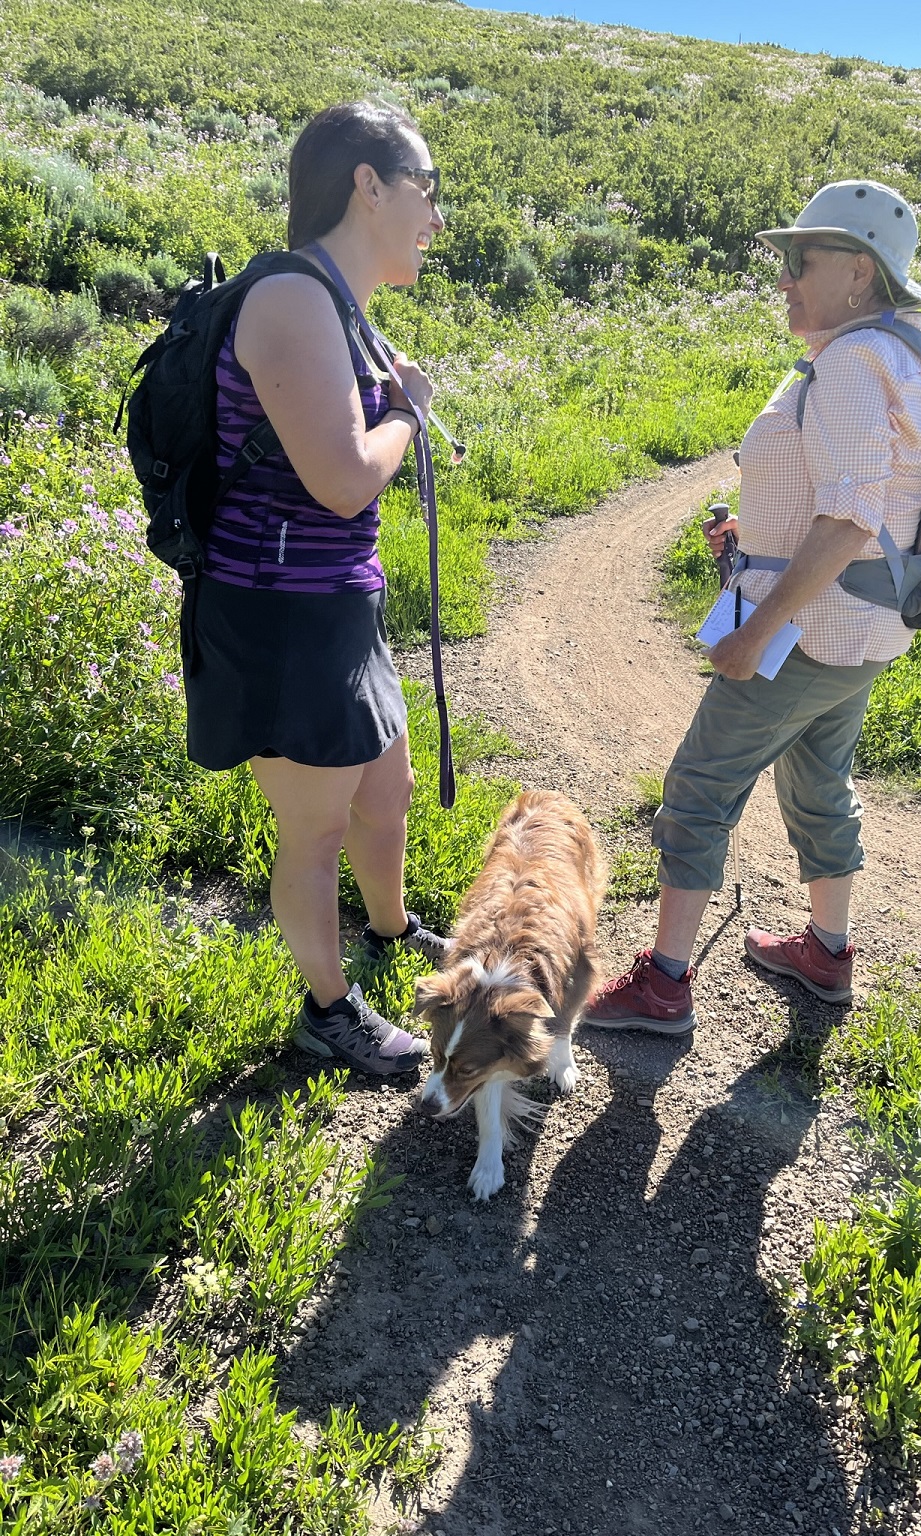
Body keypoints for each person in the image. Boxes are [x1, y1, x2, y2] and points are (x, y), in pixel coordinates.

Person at [584, 179, 921, 1032]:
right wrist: (764, 534)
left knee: (701, 786)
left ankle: (665, 984)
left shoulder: (855, 361)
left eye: (801, 261)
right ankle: (828, 953)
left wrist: (758, 626)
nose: (783, 278)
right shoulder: (906, 352)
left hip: (810, 628)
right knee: (820, 783)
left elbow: (851, 515)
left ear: (859, 272)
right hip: (865, 624)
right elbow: (872, 501)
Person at [183, 101, 450, 1074]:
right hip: (279, 612)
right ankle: (328, 1011)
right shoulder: (294, 300)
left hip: (335, 603)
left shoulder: (342, 307)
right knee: (317, 826)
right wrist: (410, 415)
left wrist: (391, 395)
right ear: (367, 185)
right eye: (427, 190)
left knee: (390, 795)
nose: (436, 218)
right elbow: (341, 484)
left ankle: (389, 932)